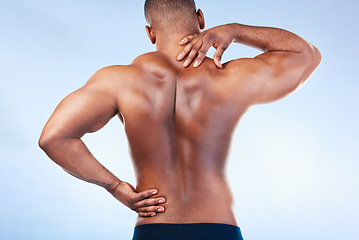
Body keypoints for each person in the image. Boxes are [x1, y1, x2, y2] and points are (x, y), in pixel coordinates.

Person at [38, 0, 321, 239]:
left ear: (150, 33)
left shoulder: (117, 80)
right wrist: (234, 31)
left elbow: (54, 138)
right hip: (218, 227)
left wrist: (114, 186)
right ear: (200, 19)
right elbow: (306, 54)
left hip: (154, 227)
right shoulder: (230, 77)